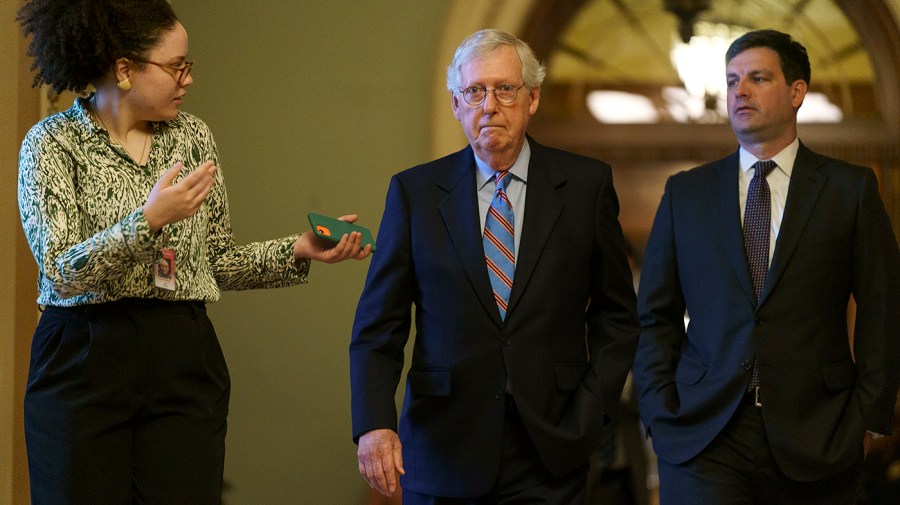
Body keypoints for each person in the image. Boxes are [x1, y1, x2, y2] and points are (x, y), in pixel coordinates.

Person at [16, 1, 371, 503]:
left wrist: (298, 250)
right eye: (176, 67)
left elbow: (216, 261)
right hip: (82, 356)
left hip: (181, 352)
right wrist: (148, 221)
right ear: (124, 68)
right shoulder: (51, 143)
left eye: (189, 66)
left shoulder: (193, 136)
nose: (187, 79)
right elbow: (59, 270)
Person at [350, 29, 640, 504]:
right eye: (475, 91)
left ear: (532, 99)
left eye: (505, 89)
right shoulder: (415, 194)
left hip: (552, 445)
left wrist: (593, 408)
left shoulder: (586, 187)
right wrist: (374, 424)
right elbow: (378, 326)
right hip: (444, 444)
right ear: (456, 104)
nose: (490, 105)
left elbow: (617, 316)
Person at [633, 29, 900, 505]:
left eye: (758, 78)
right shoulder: (685, 194)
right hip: (702, 435)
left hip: (818, 434)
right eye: (733, 80)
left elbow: (884, 307)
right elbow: (656, 315)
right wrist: (658, 409)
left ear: (797, 92)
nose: (740, 91)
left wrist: (869, 417)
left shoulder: (849, 190)